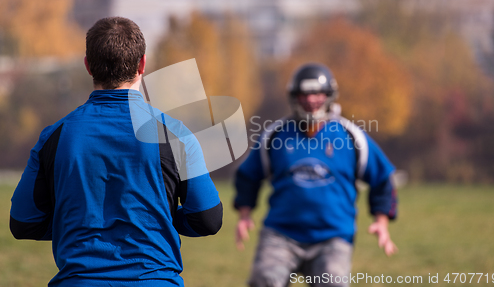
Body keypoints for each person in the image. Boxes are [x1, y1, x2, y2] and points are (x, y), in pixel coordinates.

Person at [10, 17, 223, 287]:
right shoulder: (175, 134)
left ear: (88, 66)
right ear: (143, 64)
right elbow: (208, 219)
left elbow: (23, 222)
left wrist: (76, 224)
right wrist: (161, 218)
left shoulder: (54, 136)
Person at [234, 63, 398, 287]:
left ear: (329, 96)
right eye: (304, 94)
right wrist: (244, 214)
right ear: (294, 97)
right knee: (264, 280)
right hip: (281, 234)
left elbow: (382, 177)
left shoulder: (350, 136)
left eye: (317, 94)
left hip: (333, 237)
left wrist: (381, 220)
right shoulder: (276, 135)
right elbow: (248, 175)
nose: (311, 101)